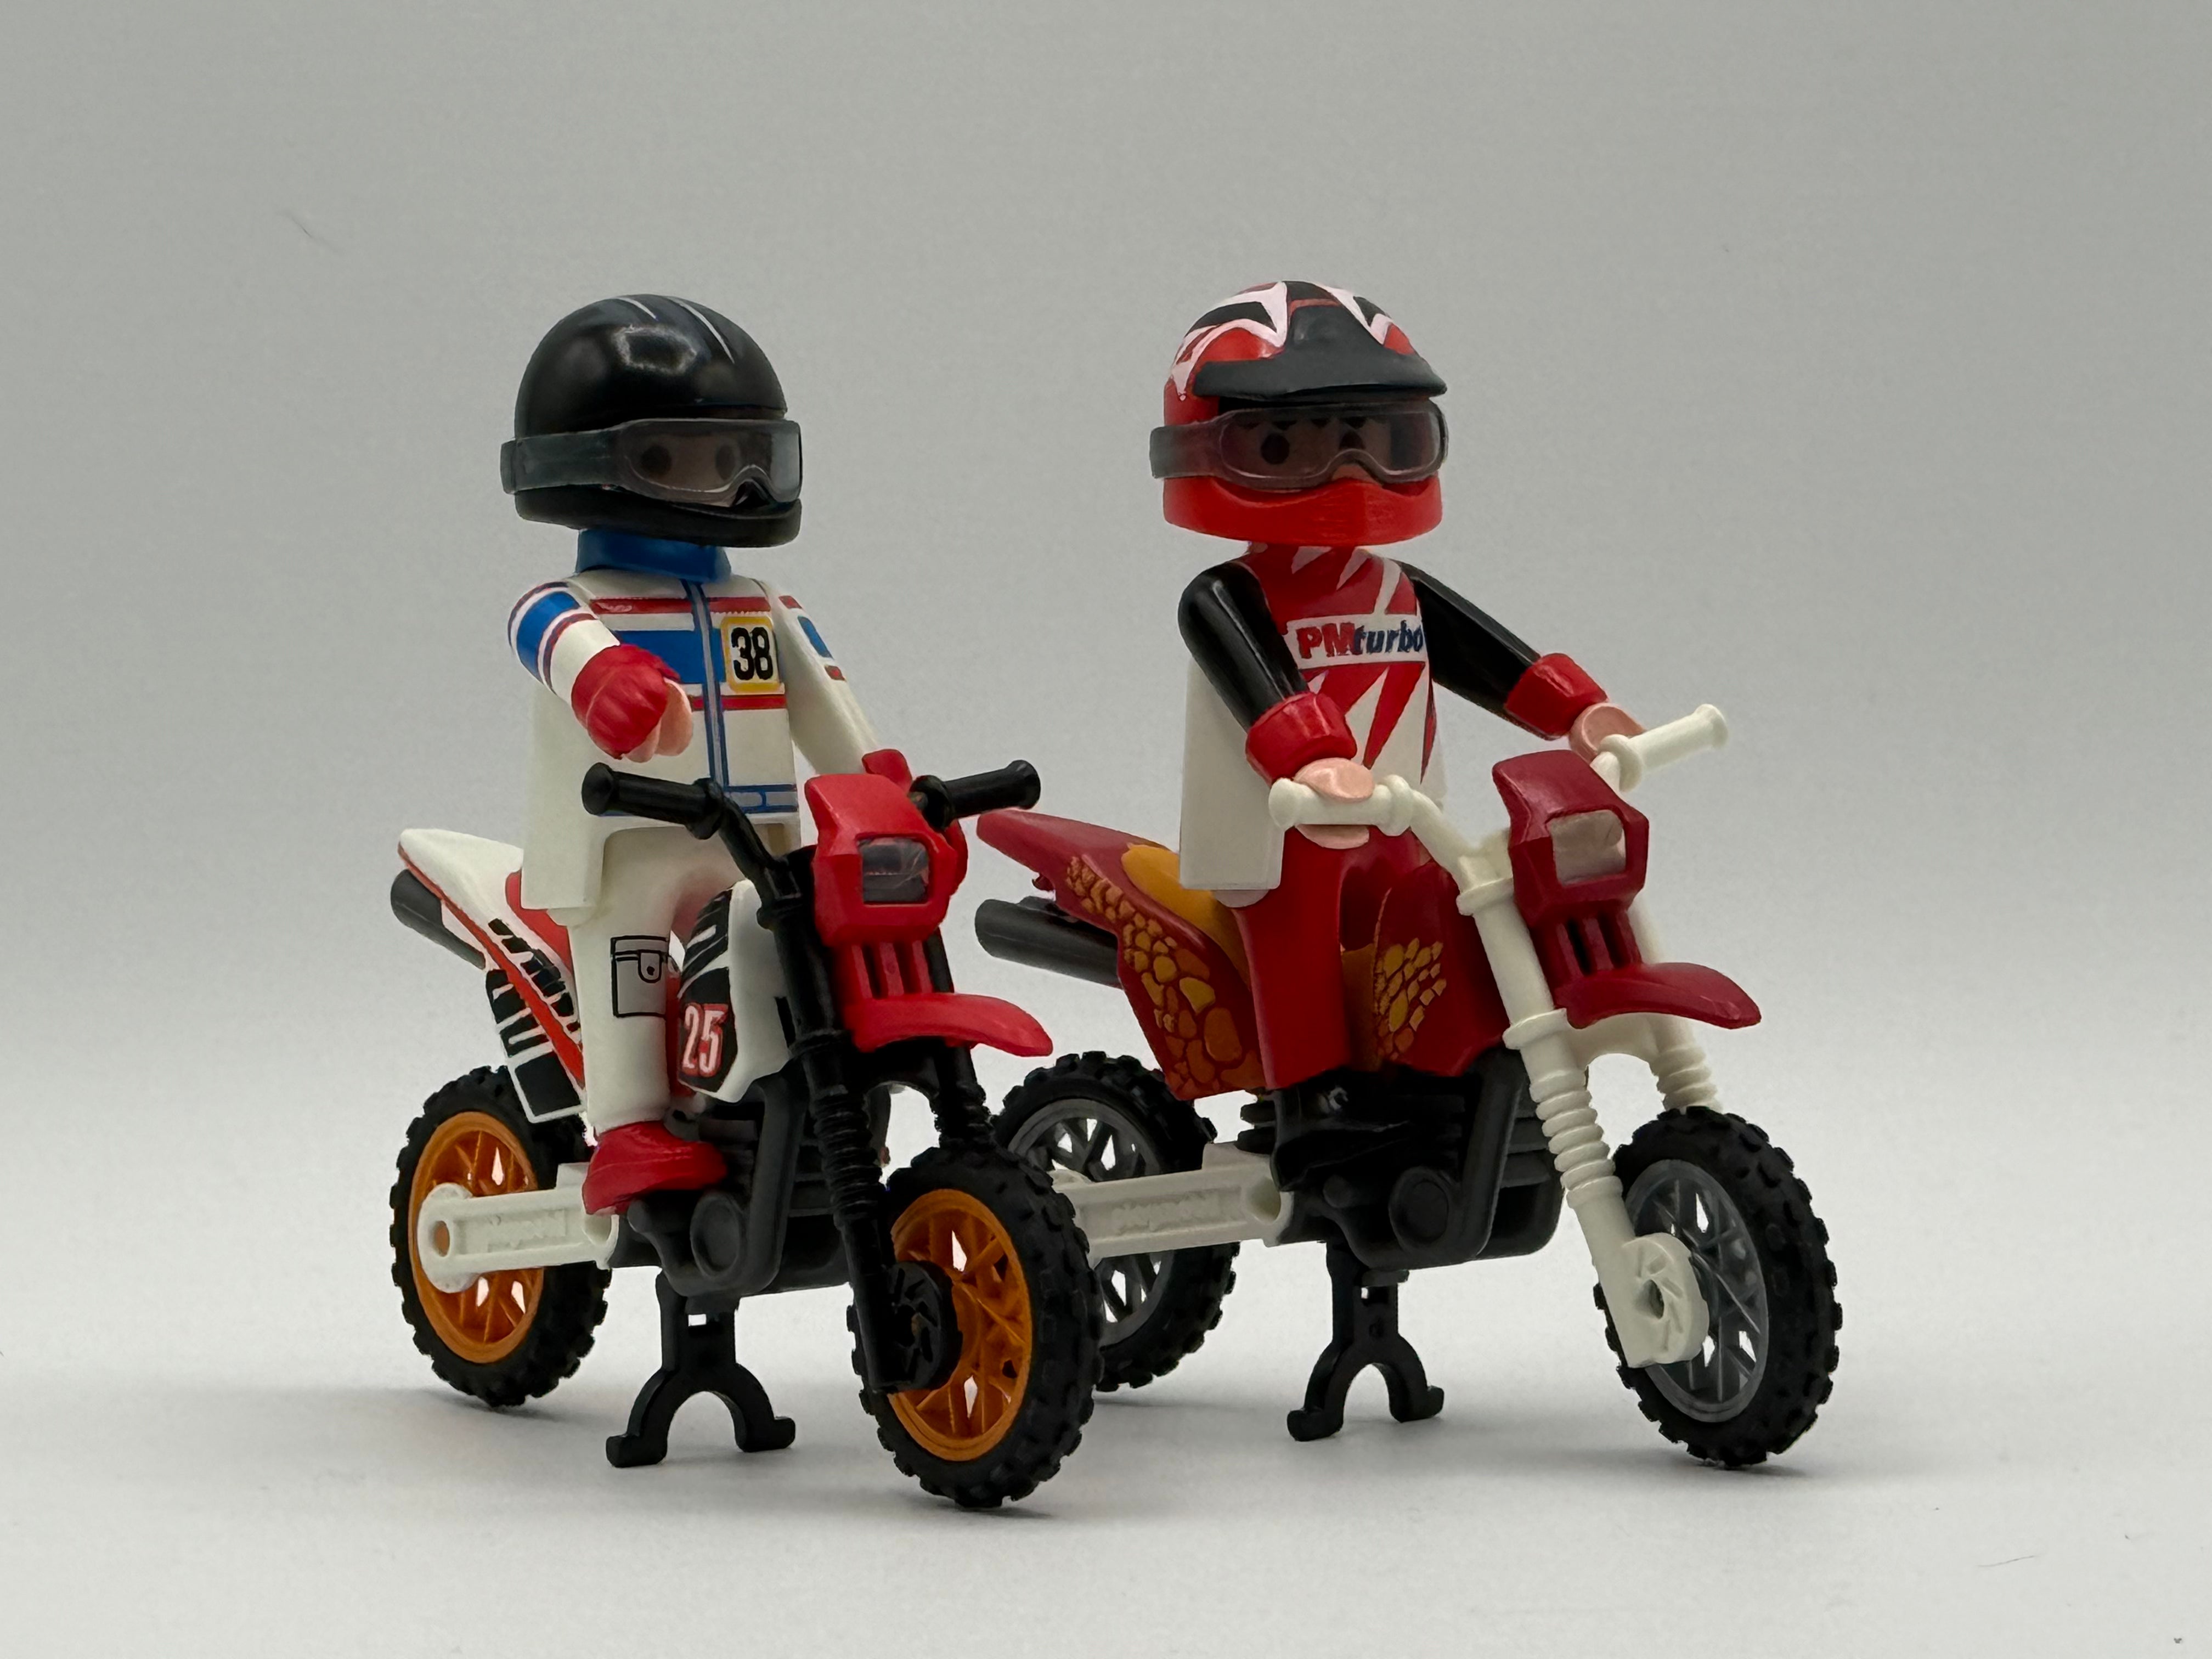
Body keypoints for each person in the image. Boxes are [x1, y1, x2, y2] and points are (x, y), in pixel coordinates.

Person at [1160, 281, 1641, 1097]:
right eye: (1284, 446)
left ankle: (1426, 1083)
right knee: (1297, 955)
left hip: (1404, 816)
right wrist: (1313, 757)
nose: (1350, 471)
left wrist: (1575, 710)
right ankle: (1310, 1111)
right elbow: (1263, 685)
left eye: (1386, 442)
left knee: (1430, 934)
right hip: (1282, 833)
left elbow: (1491, 658)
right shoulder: (1226, 595)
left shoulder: (1397, 589)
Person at [500, 295, 881, 1214]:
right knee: (628, 965)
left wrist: (883, 789)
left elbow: (830, 711)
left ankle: (754, 1097)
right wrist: (604, 680)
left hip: (760, 842)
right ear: (585, 467)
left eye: (748, 460)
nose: (735, 487)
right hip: (628, 842)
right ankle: (628, 1126)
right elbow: (546, 639)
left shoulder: (762, 604)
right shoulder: (572, 603)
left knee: (790, 960)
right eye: (684, 462)